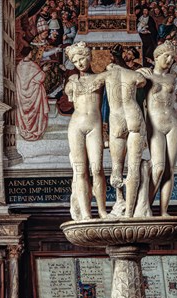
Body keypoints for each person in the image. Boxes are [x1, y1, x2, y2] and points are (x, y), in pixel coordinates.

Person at [137, 40, 177, 216]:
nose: (169, 60)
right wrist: (138, 72)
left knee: (170, 169)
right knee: (158, 167)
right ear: (156, 57)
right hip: (154, 124)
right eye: (166, 56)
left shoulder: (172, 78)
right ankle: (144, 207)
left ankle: (163, 212)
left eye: (172, 57)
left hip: (172, 123)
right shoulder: (145, 76)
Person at [64, 41, 107, 221]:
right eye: (76, 60)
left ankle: (103, 211)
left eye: (82, 58)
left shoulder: (101, 78)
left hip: (94, 125)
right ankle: (87, 214)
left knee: (97, 168)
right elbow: (68, 97)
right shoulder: (72, 82)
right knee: (80, 171)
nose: (80, 63)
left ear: (89, 57)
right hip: (76, 126)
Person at [104, 53, 148, 217]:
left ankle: (119, 201)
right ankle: (130, 212)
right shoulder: (134, 74)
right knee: (133, 167)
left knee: (117, 168)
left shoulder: (106, 75)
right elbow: (142, 82)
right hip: (134, 116)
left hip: (117, 120)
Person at [16, 46, 49, 141]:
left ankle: (26, 129)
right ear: (28, 53)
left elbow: (20, 81)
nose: (32, 54)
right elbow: (40, 78)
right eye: (31, 52)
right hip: (34, 94)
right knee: (36, 111)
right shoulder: (32, 66)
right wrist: (44, 70)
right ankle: (35, 130)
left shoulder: (20, 65)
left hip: (22, 94)